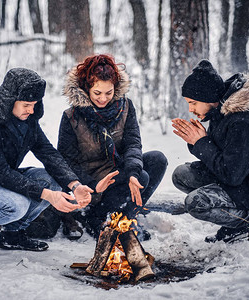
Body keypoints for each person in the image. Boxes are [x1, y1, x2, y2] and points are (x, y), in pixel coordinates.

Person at [0, 68, 93, 256]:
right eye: (26, 104)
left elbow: (48, 153)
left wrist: (74, 184)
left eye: (34, 104)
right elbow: (0, 172)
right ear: (10, 100)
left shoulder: (28, 119)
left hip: (3, 179)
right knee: (18, 204)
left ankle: (12, 234)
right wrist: (45, 195)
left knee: (54, 183)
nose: (31, 110)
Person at [171, 59, 249, 246]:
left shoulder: (243, 122)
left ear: (208, 97)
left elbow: (231, 174)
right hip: (241, 177)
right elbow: (221, 157)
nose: (191, 110)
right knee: (181, 176)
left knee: (196, 203)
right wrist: (197, 141)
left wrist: (201, 142)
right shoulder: (221, 113)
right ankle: (238, 224)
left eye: (193, 103)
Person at [58, 54, 168, 240]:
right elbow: (65, 162)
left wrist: (132, 172)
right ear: (86, 89)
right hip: (90, 182)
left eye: (108, 93)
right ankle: (99, 219)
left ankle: (126, 218)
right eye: (97, 93)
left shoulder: (125, 107)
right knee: (141, 175)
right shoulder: (71, 117)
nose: (103, 99)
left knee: (156, 161)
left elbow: (133, 143)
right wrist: (93, 185)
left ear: (115, 88)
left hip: (117, 170)